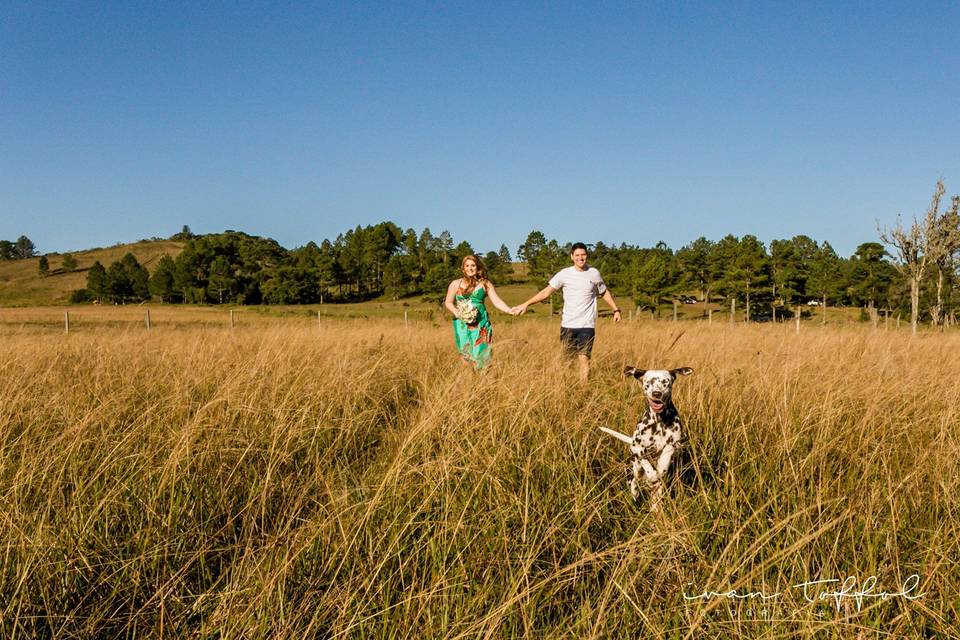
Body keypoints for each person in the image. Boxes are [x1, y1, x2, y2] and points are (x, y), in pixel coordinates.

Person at [513, 243, 621, 380]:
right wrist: (526, 304)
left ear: (587, 255)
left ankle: (583, 388)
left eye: (583, 255)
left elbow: (604, 292)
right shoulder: (564, 274)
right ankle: (567, 386)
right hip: (568, 325)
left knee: (584, 358)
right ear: (572, 257)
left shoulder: (594, 273)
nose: (580, 258)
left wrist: (615, 310)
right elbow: (546, 291)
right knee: (567, 359)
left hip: (586, 325)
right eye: (577, 255)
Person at [444, 254, 515, 369]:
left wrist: (509, 310)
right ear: (463, 268)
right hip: (462, 324)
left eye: (473, 265)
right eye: (467, 266)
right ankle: (469, 379)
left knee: (482, 353)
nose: (470, 268)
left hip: (481, 323)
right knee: (465, 353)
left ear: (478, 267)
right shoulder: (455, 284)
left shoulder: (485, 284)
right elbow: (448, 302)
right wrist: (458, 313)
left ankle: (483, 380)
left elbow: (496, 301)